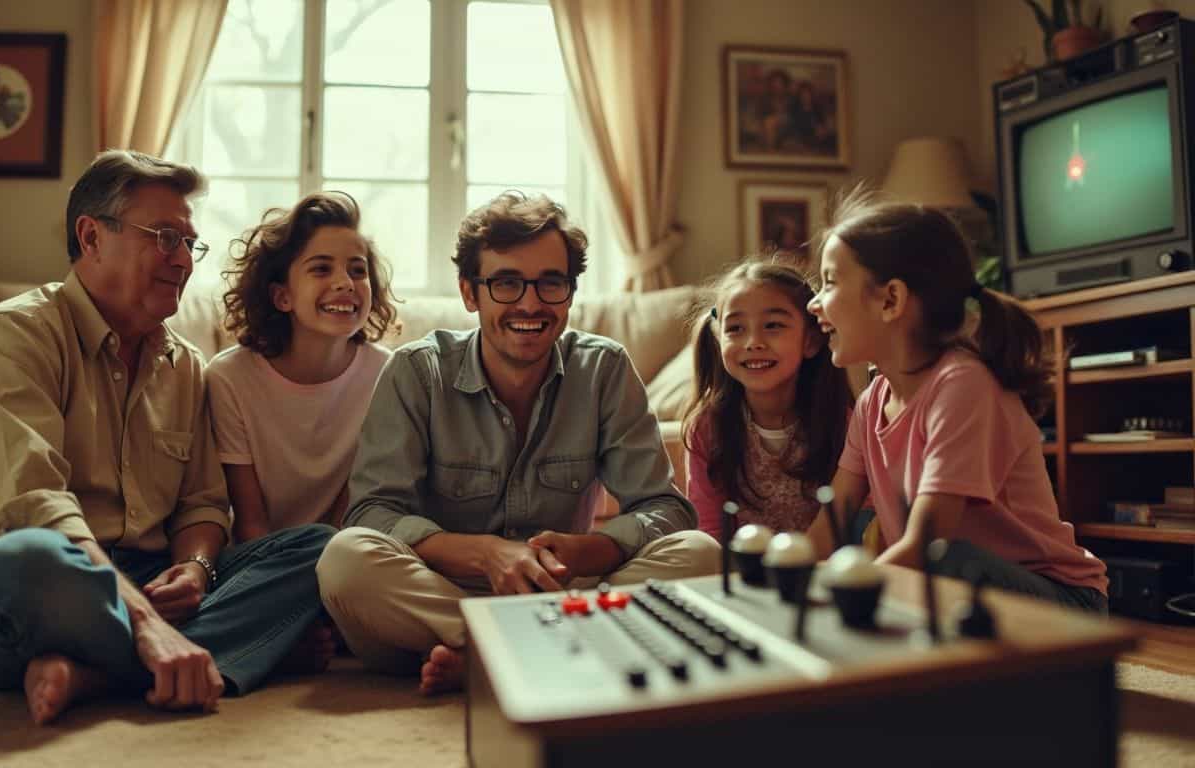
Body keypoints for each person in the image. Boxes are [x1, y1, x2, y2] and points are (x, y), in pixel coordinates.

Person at [0, 150, 336, 727]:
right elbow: (30, 506)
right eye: (165, 237)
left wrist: (196, 568)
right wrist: (147, 624)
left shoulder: (187, 365)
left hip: (135, 580)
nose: (183, 260)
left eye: (189, 244)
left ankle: (93, 674)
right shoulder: (17, 333)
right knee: (35, 556)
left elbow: (201, 504)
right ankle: (212, 650)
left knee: (318, 549)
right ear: (92, 236)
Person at [316, 191, 719, 695]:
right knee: (345, 560)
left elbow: (664, 510)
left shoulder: (604, 368)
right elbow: (373, 514)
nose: (530, 304)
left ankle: (487, 659)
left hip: (561, 592)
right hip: (439, 594)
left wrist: (591, 550)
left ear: (570, 293)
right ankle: (549, 651)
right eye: (506, 283)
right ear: (470, 293)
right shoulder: (417, 372)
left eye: (551, 284)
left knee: (700, 554)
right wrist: (486, 555)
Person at [804, 189, 1108, 610]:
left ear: (891, 300)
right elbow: (832, 522)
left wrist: (829, 603)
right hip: (960, 594)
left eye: (830, 282)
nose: (814, 303)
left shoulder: (963, 383)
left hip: (1061, 600)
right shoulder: (874, 399)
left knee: (941, 558)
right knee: (860, 527)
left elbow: (925, 545)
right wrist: (777, 583)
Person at [207, 192, 396, 543]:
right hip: (257, 556)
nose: (345, 283)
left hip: (342, 555)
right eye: (321, 269)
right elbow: (250, 525)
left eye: (358, 270)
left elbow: (351, 517)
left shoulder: (387, 372)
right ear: (282, 296)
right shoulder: (229, 378)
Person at [682, 260, 852, 539]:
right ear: (718, 339)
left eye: (773, 325)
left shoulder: (841, 422)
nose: (753, 343)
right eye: (735, 329)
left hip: (823, 567)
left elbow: (857, 519)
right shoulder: (707, 427)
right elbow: (710, 528)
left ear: (810, 340)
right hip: (740, 571)